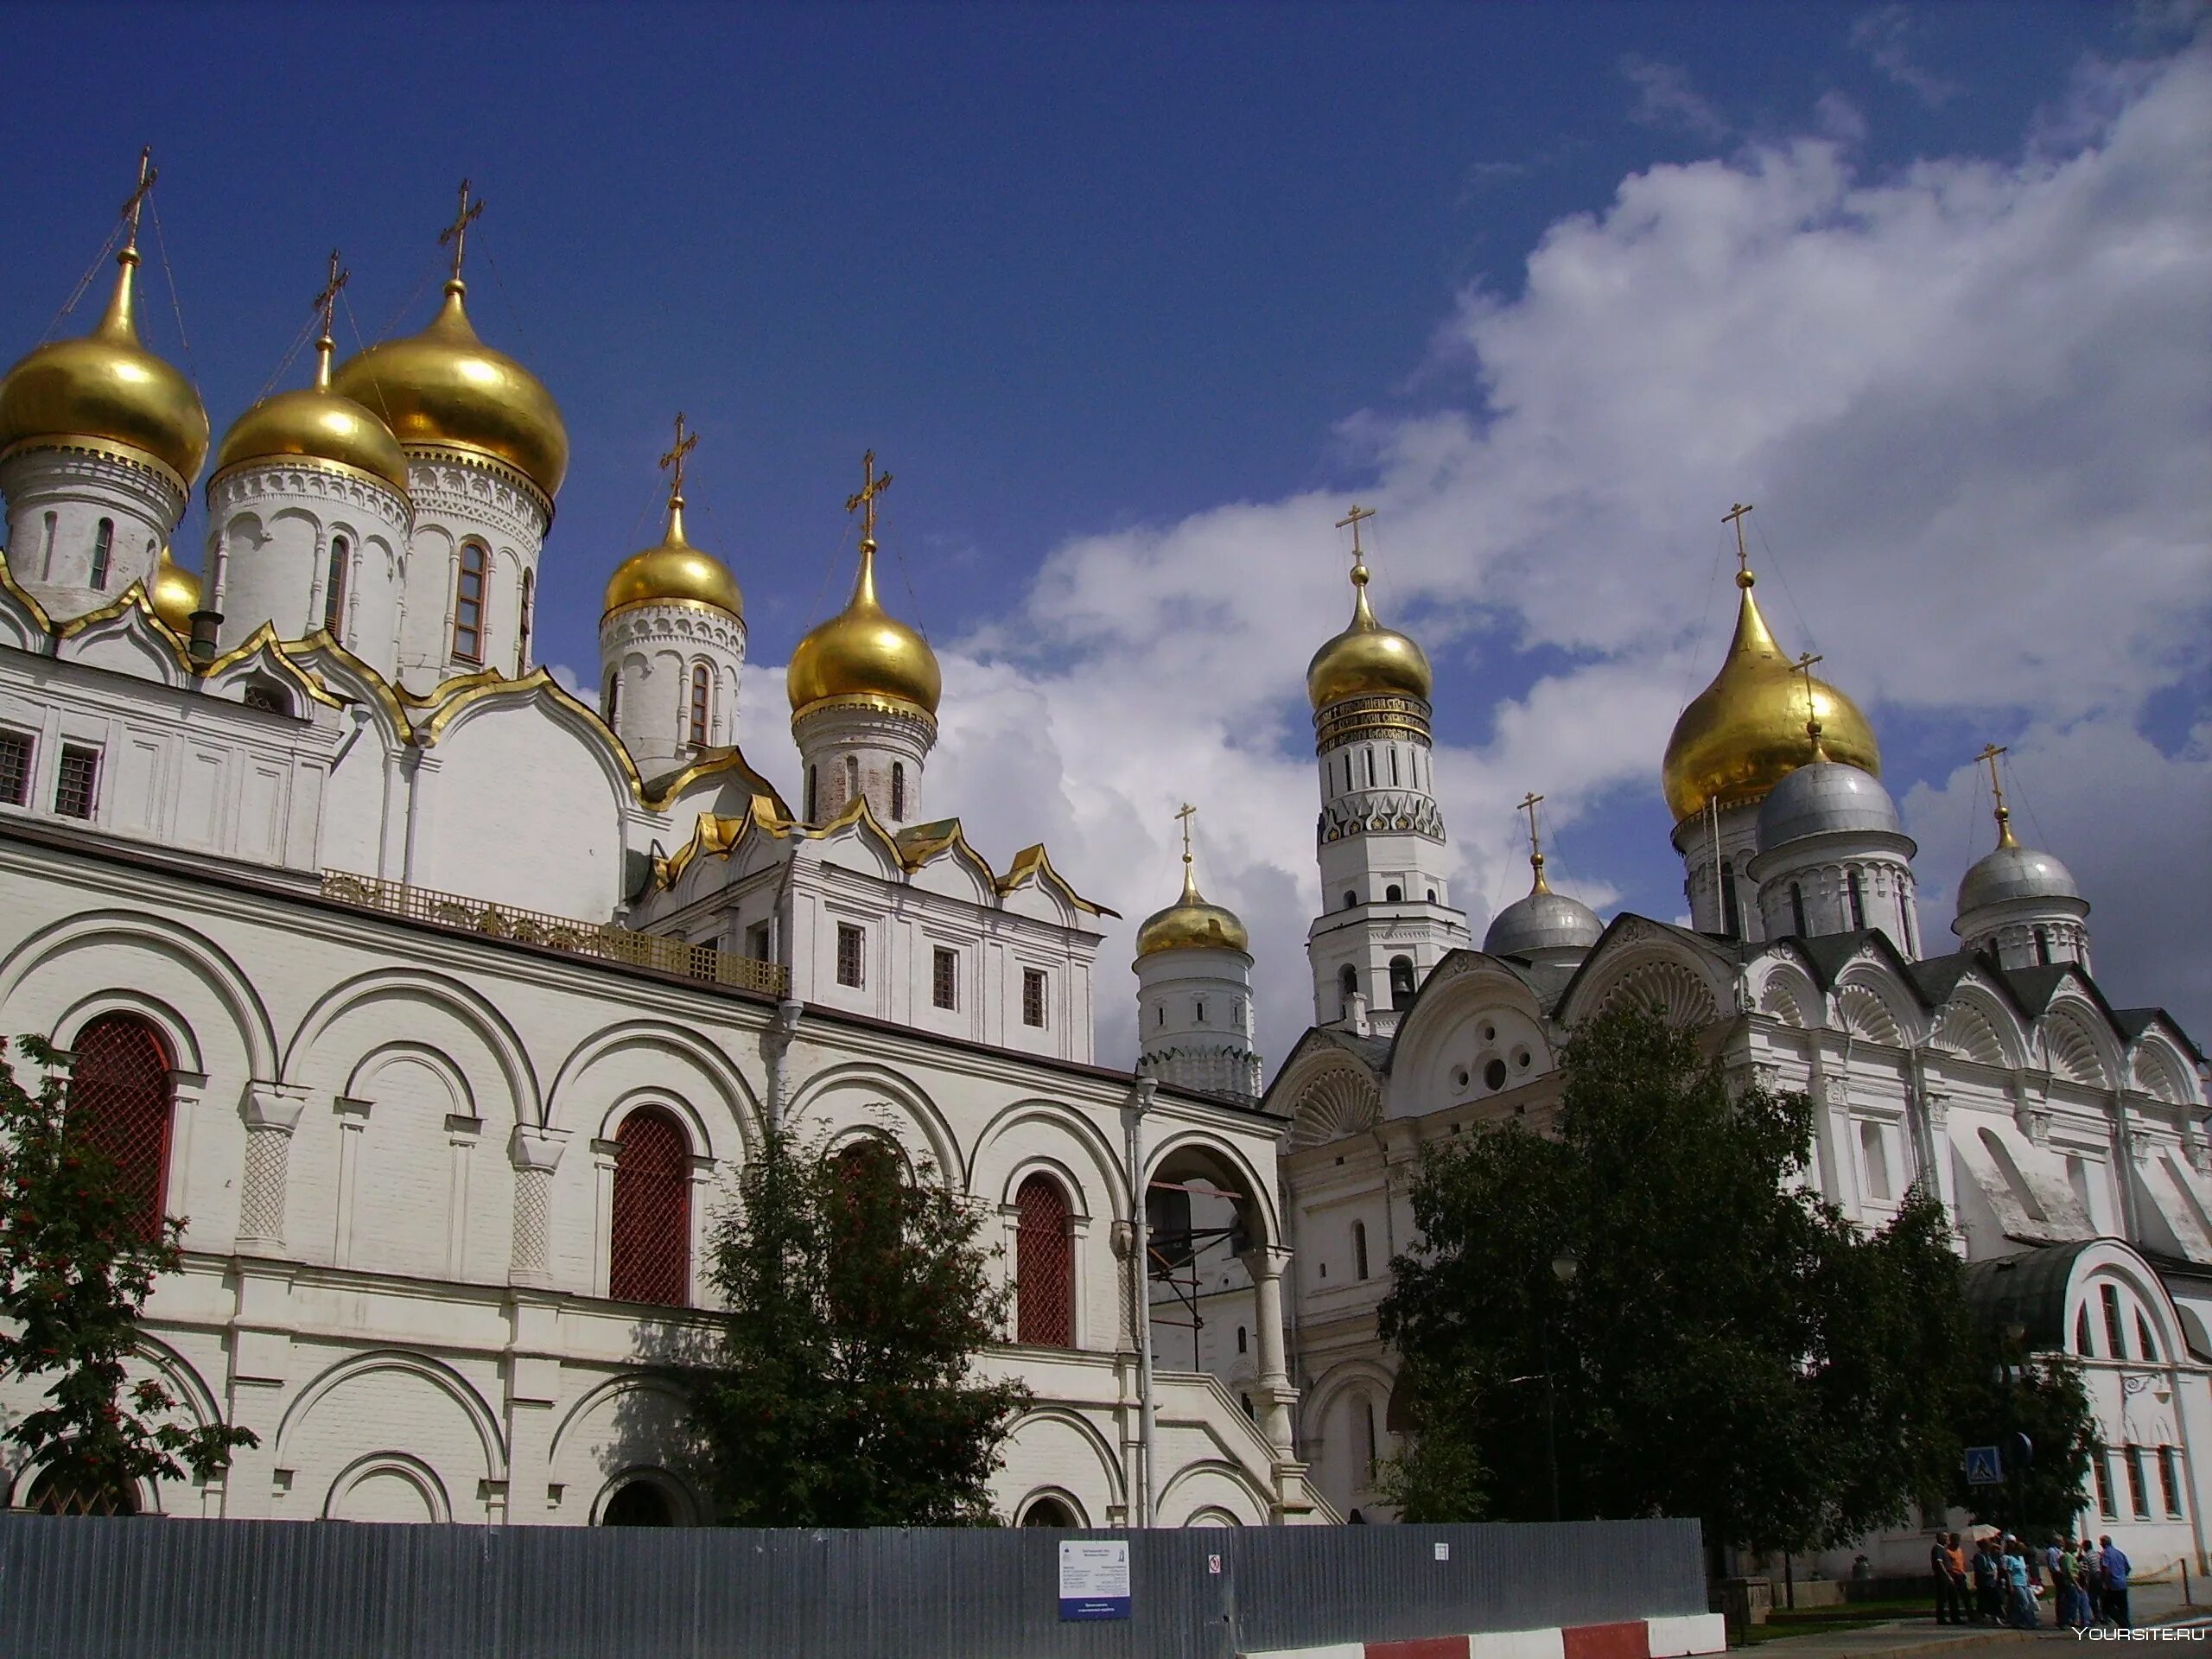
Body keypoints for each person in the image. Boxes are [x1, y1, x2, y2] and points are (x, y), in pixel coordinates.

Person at [1932, 1532, 1968, 1626]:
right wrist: (1947, 1575)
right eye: (1946, 1537)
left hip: (1949, 1575)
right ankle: (1941, 1618)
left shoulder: (1943, 1549)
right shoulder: (1938, 1548)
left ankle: (1955, 1617)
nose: (1948, 1539)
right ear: (1941, 1538)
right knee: (1943, 1597)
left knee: (1953, 1596)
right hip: (1943, 1576)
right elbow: (1939, 1563)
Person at [2002, 1536, 2037, 1629]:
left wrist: (2028, 1580)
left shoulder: (2021, 1558)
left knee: (2026, 1602)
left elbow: (2025, 1570)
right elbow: (2009, 1573)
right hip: (2016, 1583)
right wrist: (2010, 1585)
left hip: (2024, 1583)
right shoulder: (2011, 1559)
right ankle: (2025, 1621)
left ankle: (2020, 1620)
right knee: (2024, 1602)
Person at [2099, 1535, 2132, 1629]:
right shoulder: (2119, 1553)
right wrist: (2122, 1576)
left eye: (2101, 1542)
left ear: (2104, 1543)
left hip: (2112, 1584)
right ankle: (2125, 1630)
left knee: (2107, 1607)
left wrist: (2104, 1582)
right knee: (2123, 1608)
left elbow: (2106, 1569)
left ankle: (2124, 1624)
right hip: (2122, 1583)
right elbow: (2128, 1567)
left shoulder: (2105, 1554)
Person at [1971, 1535, 2001, 1625]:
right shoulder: (1978, 1556)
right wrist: (1988, 1573)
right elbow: (1979, 1569)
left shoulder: (1988, 1556)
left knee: (1994, 1600)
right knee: (1983, 1600)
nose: (1990, 1547)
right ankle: (1981, 1617)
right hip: (1984, 1582)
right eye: (1988, 1545)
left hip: (1992, 1582)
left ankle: (1994, 1617)